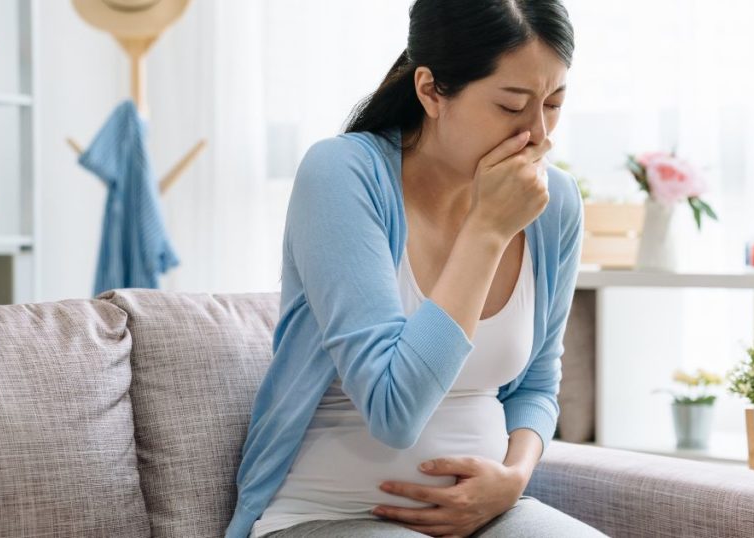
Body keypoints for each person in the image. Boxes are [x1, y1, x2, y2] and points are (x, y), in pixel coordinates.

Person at [227, 1, 604, 536]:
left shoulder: (554, 202)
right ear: (430, 90)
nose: (538, 134)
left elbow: (537, 385)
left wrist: (513, 479)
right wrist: (487, 230)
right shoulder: (342, 173)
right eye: (511, 105)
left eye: (554, 104)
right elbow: (393, 413)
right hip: (329, 514)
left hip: (489, 515)